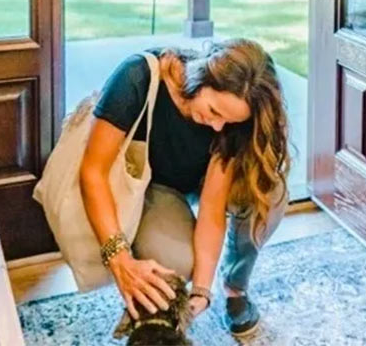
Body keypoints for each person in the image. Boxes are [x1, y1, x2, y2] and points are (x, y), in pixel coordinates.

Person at [79, 39, 290, 337]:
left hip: (197, 182)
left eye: (228, 122)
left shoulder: (228, 127)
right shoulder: (136, 78)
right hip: (151, 186)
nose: (217, 127)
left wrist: (202, 291)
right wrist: (119, 260)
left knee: (270, 193)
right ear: (200, 77)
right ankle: (149, 303)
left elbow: (212, 209)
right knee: (176, 262)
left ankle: (234, 287)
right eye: (214, 111)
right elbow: (92, 173)